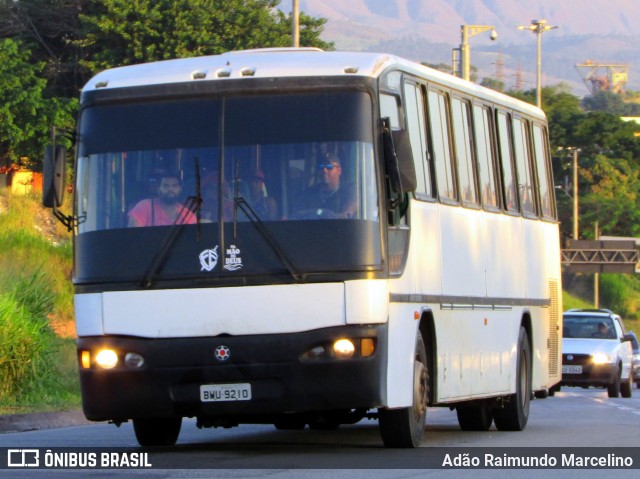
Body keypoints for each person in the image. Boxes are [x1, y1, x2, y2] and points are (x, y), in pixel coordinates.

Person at [294, 153, 356, 219]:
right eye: (321, 167)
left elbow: (349, 211)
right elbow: (298, 215)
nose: (324, 170)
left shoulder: (349, 191)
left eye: (329, 167)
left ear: (339, 170)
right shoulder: (309, 194)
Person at [128, 172, 197, 227]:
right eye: (166, 185)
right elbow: (133, 237)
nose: (170, 189)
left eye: (174, 185)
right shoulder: (144, 206)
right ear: (158, 189)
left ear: (180, 189)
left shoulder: (188, 216)